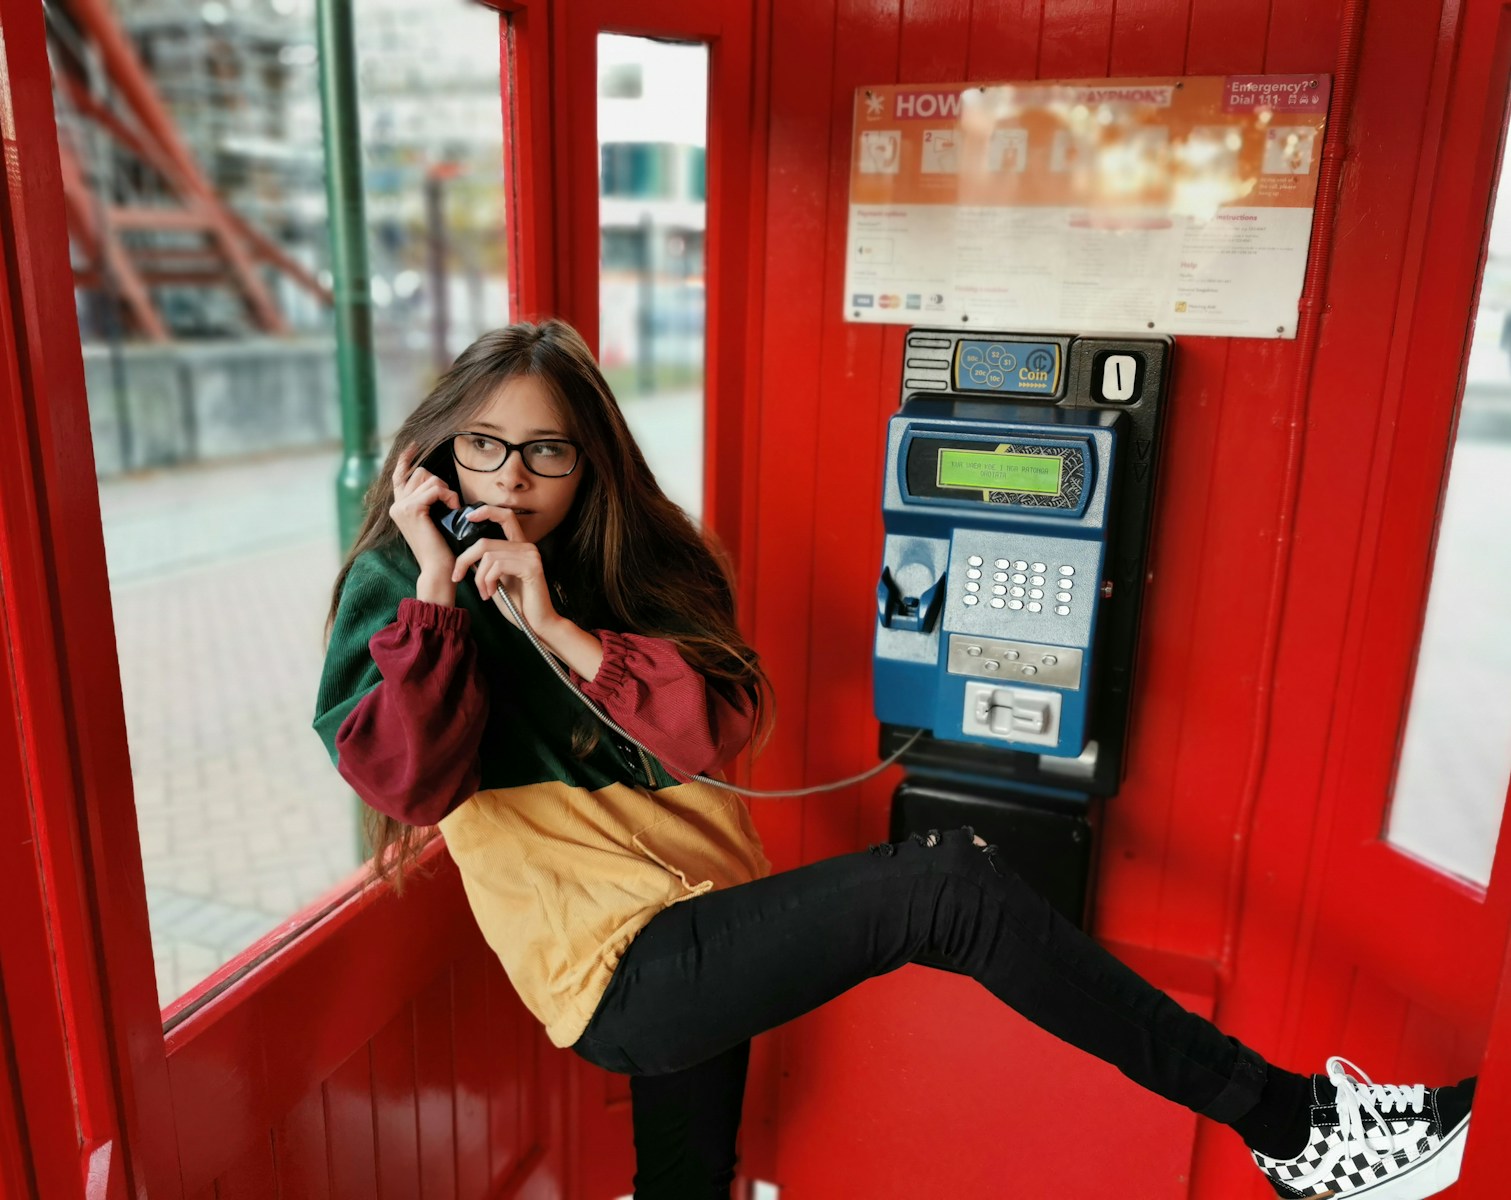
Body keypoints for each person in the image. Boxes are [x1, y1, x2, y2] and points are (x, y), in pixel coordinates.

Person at [314, 319, 1475, 1200]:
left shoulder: (637, 568)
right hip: (616, 966)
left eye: (544, 451)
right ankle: (1293, 1128)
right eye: (481, 446)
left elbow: (706, 735)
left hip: (711, 915)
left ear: (590, 463)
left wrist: (563, 628)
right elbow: (407, 781)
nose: (509, 478)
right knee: (947, 886)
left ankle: (1301, 1135)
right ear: (434, 455)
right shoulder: (400, 594)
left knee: (687, 1181)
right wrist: (439, 594)